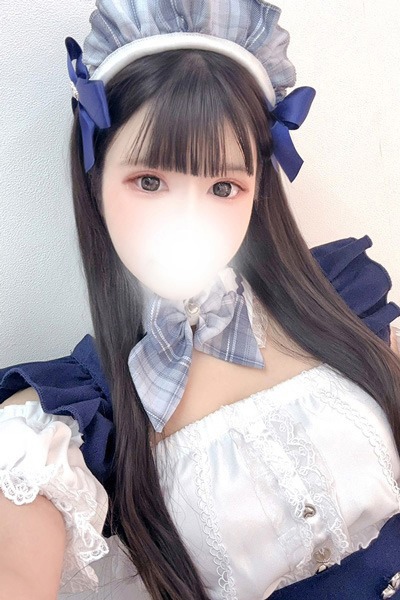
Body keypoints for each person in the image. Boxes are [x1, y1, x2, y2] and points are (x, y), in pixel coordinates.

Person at [1, 1, 400, 598]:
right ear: (96, 179)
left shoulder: (341, 299)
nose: (188, 219)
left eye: (223, 186)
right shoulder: (73, 422)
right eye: (150, 181)